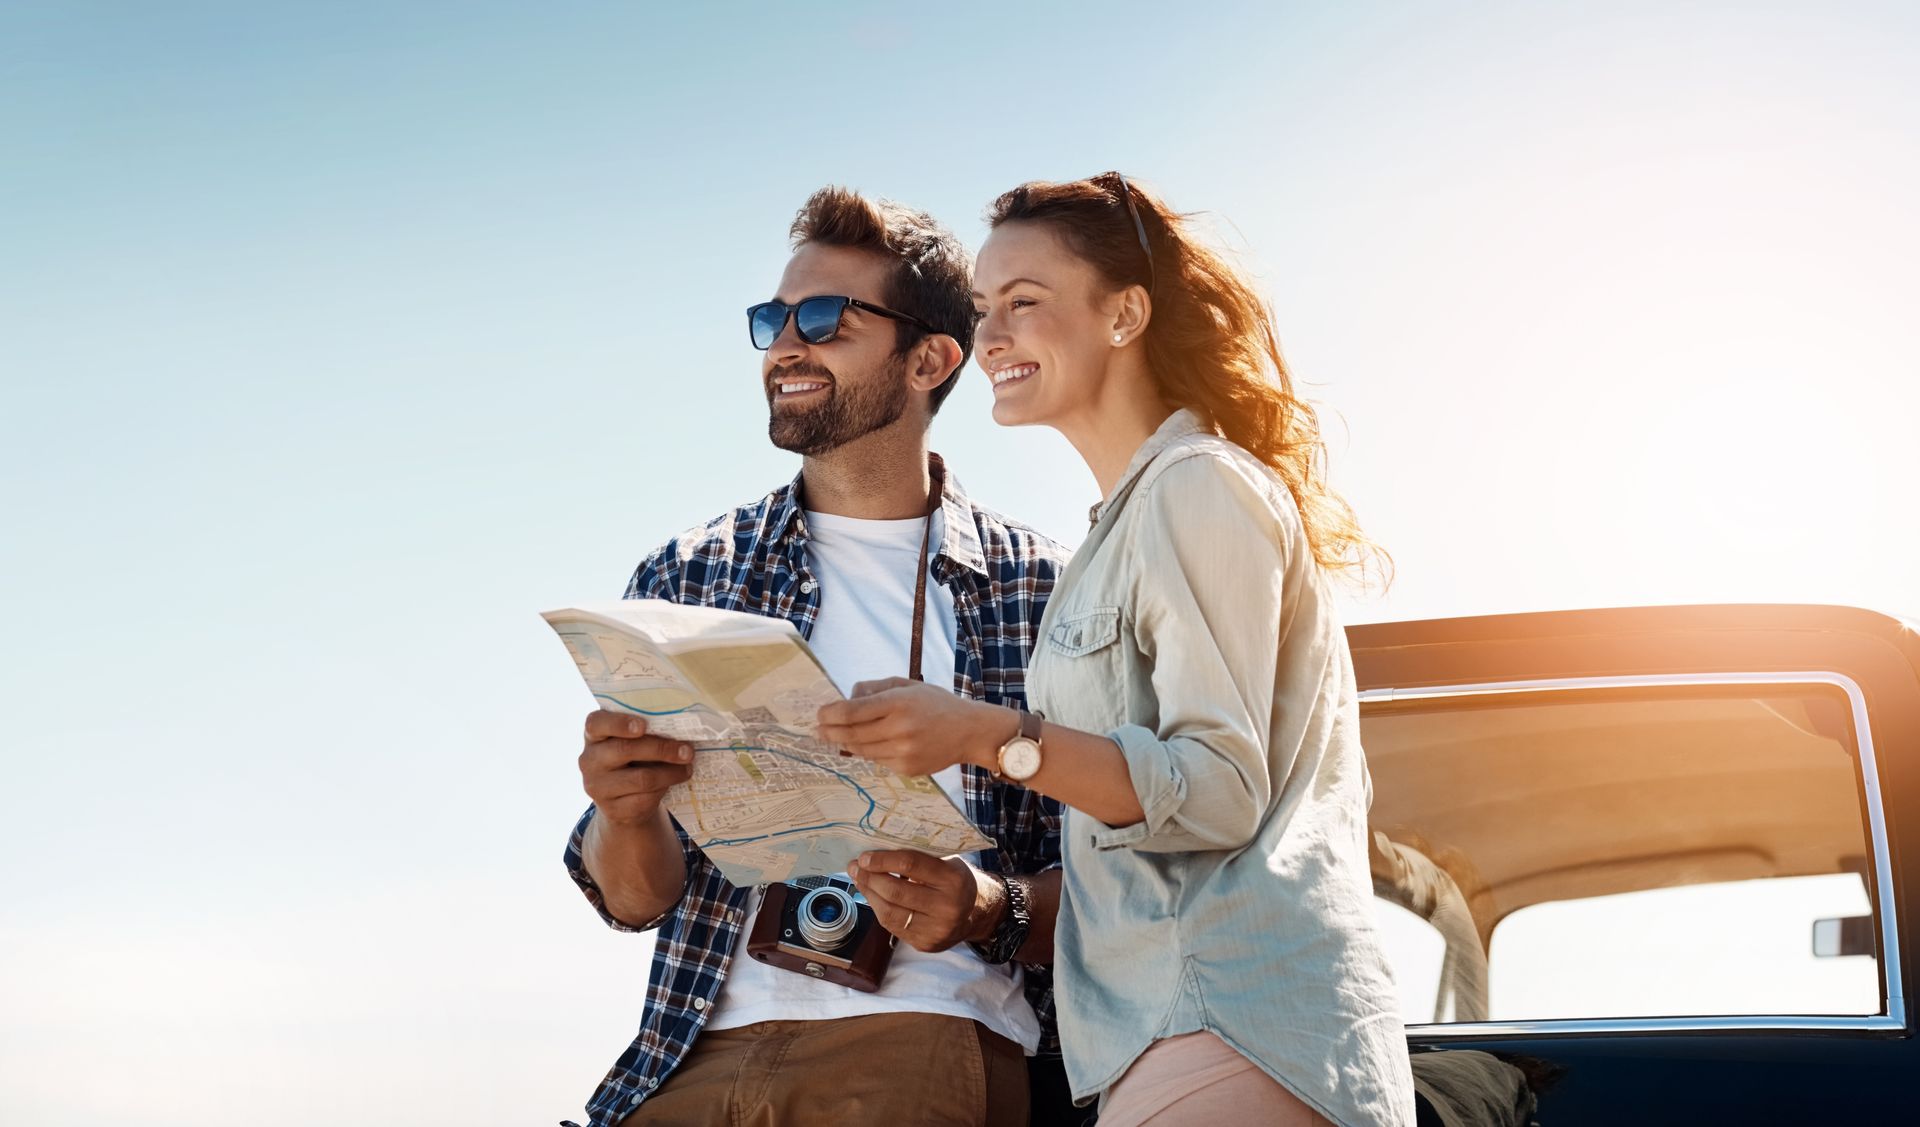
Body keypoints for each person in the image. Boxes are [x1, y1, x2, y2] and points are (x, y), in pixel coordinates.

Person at [818, 172, 1416, 1127]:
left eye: (1024, 303)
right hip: (1169, 1038)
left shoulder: (1195, 487)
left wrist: (980, 733)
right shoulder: (1120, 528)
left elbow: (1216, 787)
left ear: (1125, 313)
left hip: (1227, 1024)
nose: (993, 337)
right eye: (982, 311)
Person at [559, 186, 1081, 1127]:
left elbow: (1124, 886)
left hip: (927, 1037)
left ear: (929, 358)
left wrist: (984, 907)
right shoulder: (689, 570)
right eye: (774, 320)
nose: (786, 347)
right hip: (689, 1052)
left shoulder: (1040, 587)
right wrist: (621, 809)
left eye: (824, 319)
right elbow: (634, 901)